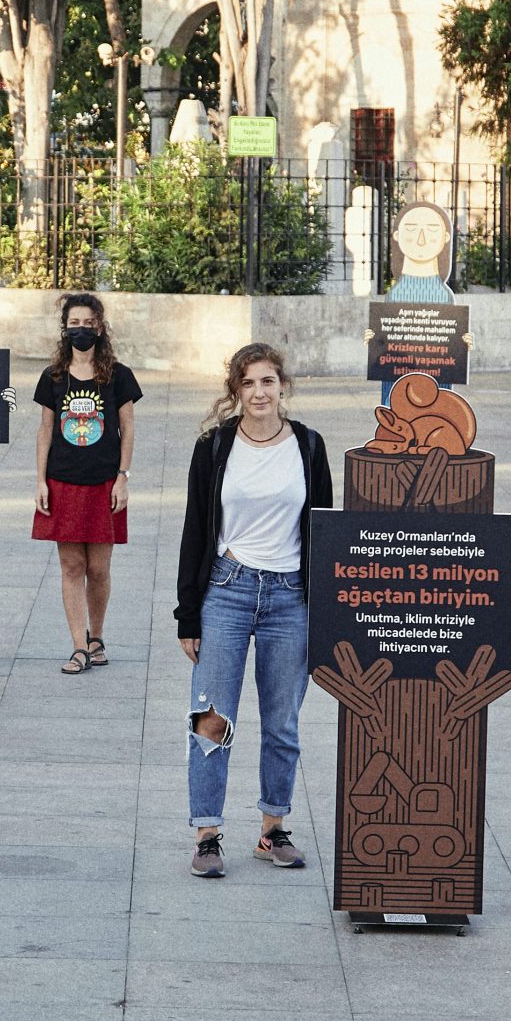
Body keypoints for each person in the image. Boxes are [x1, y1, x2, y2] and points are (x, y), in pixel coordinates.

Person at [175, 343, 334, 878]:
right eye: (248, 384)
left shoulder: (309, 447)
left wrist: (328, 609)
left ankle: (272, 830)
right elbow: (195, 528)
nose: (259, 393)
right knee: (211, 720)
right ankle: (207, 835)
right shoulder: (215, 447)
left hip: (291, 597)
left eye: (268, 382)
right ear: (235, 392)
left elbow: (325, 531)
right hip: (228, 588)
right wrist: (187, 614)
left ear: (282, 387)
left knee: (282, 723)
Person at [33, 292, 140, 673]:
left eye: (88, 323)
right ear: (65, 328)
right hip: (63, 482)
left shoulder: (118, 375)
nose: (81, 329)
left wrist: (122, 478)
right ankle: (78, 645)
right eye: (74, 323)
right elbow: (45, 431)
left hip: (104, 484)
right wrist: (40, 480)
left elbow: (127, 429)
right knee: (71, 566)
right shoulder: (53, 377)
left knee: (99, 568)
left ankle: (97, 637)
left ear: (100, 327)